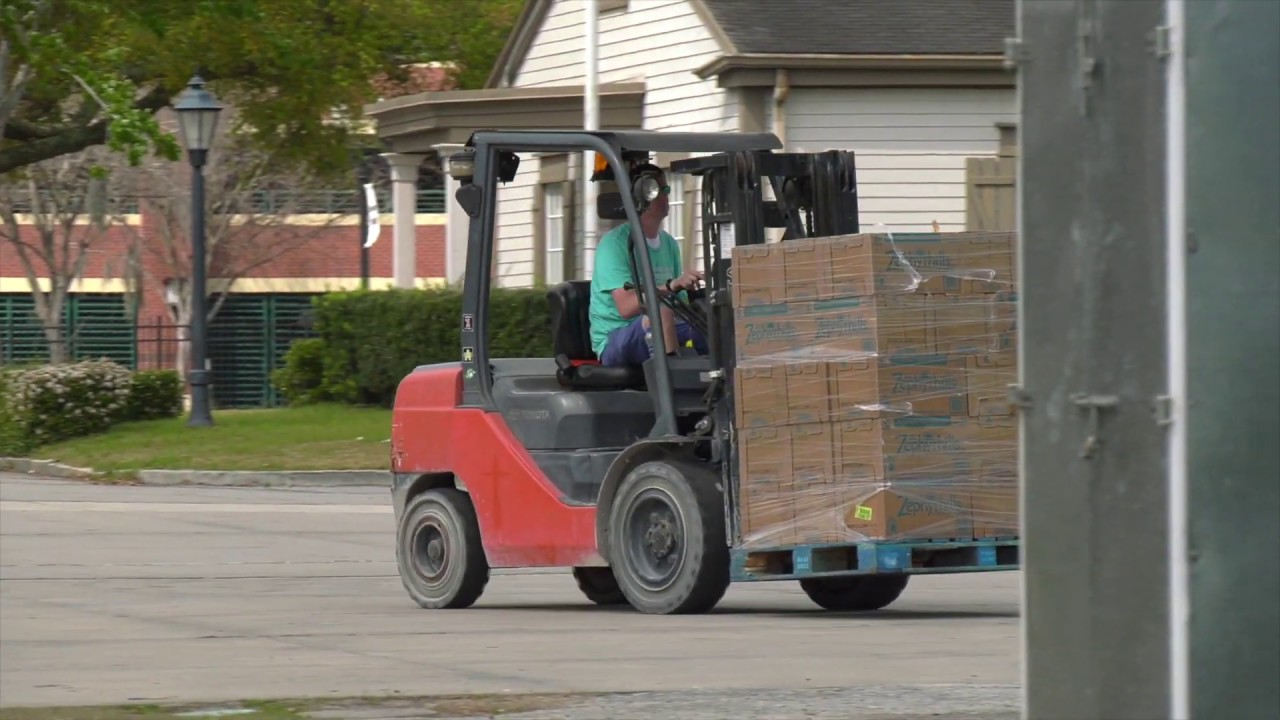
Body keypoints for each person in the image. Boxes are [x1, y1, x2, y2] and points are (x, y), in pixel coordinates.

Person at [589, 164, 707, 366]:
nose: (666, 196)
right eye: (658, 190)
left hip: (660, 326)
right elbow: (626, 307)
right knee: (660, 316)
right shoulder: (614, 244)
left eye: (667, 189)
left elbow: (681, 305)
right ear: (639, 196)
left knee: (711, 323)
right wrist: (672, 285)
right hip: (616, 338)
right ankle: (672, 388)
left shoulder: (669, 244)